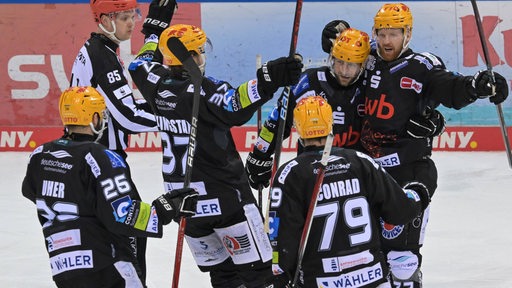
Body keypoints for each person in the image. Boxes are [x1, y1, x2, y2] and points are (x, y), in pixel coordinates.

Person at [321, 3, 509, 287]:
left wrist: (478, 85)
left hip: (406, 172)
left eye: (394, 33)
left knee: (402, 259)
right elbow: (341, 44)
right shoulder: (366, 56)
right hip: (364, 171)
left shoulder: (421, 66)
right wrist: (334, 31)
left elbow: (450, 88)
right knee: (362, 257)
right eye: (382, 33)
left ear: (407, 34)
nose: (386, 41)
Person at [128, 24, 303, 287]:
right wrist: (269, 80)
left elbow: (138, 64)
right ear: (191, 57)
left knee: (224, 276)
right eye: (198, 51)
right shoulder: (202, 90)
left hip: (186, 204)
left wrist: (154, 33)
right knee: (262, 275)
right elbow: (235, 105)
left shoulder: (153, 84)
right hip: (225, 199)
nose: (202, 57)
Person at [21, 86, 199, 288]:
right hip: (106, 264)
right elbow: (122, 215)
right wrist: (167, 207)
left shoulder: (39, 155)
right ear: (94, 118)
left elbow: (30, 191)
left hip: (63, 269)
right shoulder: (99, 157)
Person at [245, 27, 445, 192]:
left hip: (357, 177)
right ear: (331, 58)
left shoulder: (370, 85)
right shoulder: (309, 82)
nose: (343, 71)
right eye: (339, 62)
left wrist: (434, 120)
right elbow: (276, 122)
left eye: (351, 65)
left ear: (363, 64)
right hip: (312, 174)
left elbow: (402, 107)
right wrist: (259, 155)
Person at [265, 95, 431, 288]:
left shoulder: (289, 174)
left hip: (319, 281)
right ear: (331, 124)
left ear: (298, 129)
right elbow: (401, 211)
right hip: (372, 279)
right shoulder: (360, 161)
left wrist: (280, 275)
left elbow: (283, 239)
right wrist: (418, 194)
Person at [70, 0, 178, 280]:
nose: (133, 22)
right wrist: (178, 118)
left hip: (94, 162)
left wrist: (152, 36)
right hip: (103, 167)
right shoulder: (102, 56)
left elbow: (125, 102)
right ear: (105, 20)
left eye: (134, 15)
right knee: (129, 237)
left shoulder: (99, 50)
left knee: (122, 239)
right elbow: (128, 115)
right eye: (125, 17)